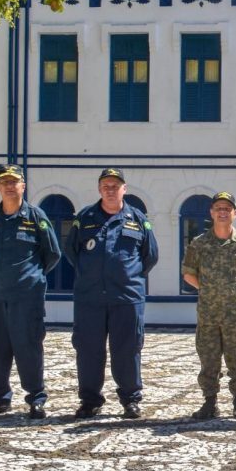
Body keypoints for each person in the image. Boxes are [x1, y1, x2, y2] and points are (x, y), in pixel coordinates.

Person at [65, 168, 158, 419]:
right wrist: (92, 275)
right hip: (90, 299)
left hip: (126, 298)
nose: (110, 189)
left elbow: (151, 256)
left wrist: (128, 276)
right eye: (105, 185)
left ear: (124, 189)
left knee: (127, 350)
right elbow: (71, 252)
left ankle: (130, 400)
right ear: (99, 189)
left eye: (115, 185)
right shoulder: (85, 217)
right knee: (88, 350)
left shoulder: (137, 218)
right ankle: (90, 401)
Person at [0, 164, 61, 419]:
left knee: (28, 347)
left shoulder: (36, 217)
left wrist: (29, 276)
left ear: (23, 186)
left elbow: (52, 253)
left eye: (15, 182)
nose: (10, 186)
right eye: (5, 182)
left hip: (27, 296)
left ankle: (36, 399)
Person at [183, 192, 236, 420]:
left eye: (227, 209)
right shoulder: (199, 244)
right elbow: (188, 274)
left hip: (235, 315)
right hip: (208, 314)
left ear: (234, 214)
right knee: (208, 359)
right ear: (211, 213)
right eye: (218, 208)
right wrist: (208, 289)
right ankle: (210, 403)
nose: (222, 212)